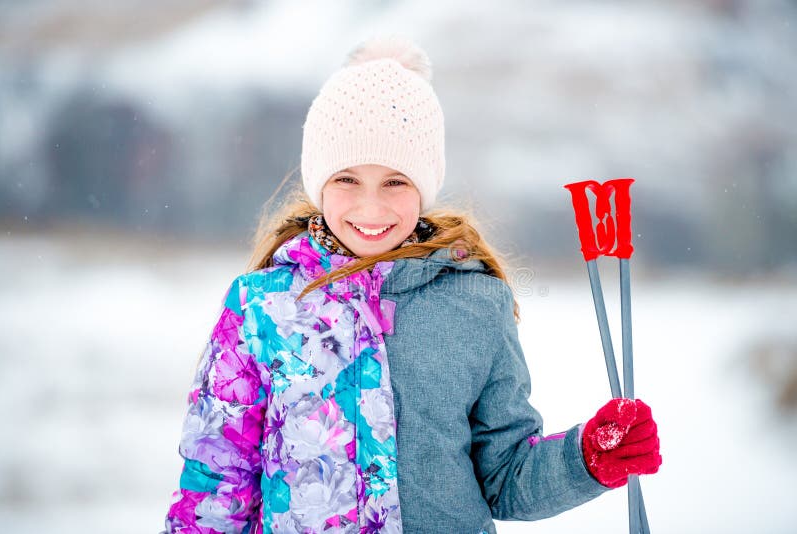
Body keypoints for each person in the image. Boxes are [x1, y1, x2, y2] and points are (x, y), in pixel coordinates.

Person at [160, 35, 661, 534]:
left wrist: (587, 459)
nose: (371, 207)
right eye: (347, 179)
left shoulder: (474, 302)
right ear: (318, 182)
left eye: (395, 181)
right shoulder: (260, 307)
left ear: (424, 185)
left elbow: (506, 478)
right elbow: (215, 486)